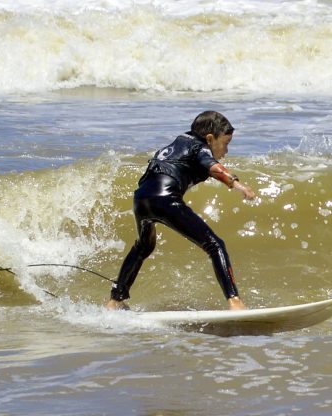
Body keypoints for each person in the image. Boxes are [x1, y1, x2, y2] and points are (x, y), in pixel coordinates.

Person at [106, 111, 256, 311]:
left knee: (143, 246)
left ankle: (115, 301)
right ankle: (235, 302)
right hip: (166, 198)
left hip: (141, 199)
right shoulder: (200, 147)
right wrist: (237, 184)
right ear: (210, 138)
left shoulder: (179, 143)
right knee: (215, 245)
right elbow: (213, 167)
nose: (227, 150)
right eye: (226, 143)